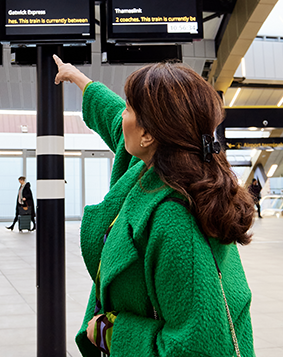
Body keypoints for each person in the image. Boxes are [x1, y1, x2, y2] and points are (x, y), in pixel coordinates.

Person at [54, 55, 256, 357]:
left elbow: (198, 346)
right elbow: (113, 118)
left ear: (149, 134)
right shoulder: (156, 165)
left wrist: (114, 334)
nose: (122, 116)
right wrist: (79, 79)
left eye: (130, 108)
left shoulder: (176, 220)